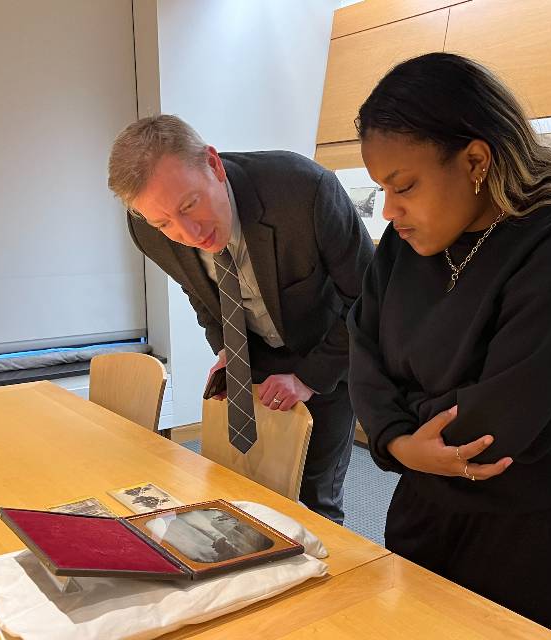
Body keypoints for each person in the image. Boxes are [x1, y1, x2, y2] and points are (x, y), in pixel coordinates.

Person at [347, 53, 551, 640]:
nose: (390, 210)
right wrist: (401, 443)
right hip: (426, 493)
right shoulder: (404, 242)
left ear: (476, 161)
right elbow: (363, 350)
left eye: (404, 186)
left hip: (537, 516)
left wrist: (400, 423)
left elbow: (502, 420)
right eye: (382, 188)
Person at [107, 115, 374, 524]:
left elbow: (370, 300)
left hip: (329, 351)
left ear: (213, 165)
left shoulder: (303, 191)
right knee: (246, 487)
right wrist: (227, 349)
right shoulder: (146, 229)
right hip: (251, 351)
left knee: (314, 498)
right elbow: (198, 291)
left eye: (189, 205)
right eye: (165, 223)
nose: (188, 232)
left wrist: (308, 378)